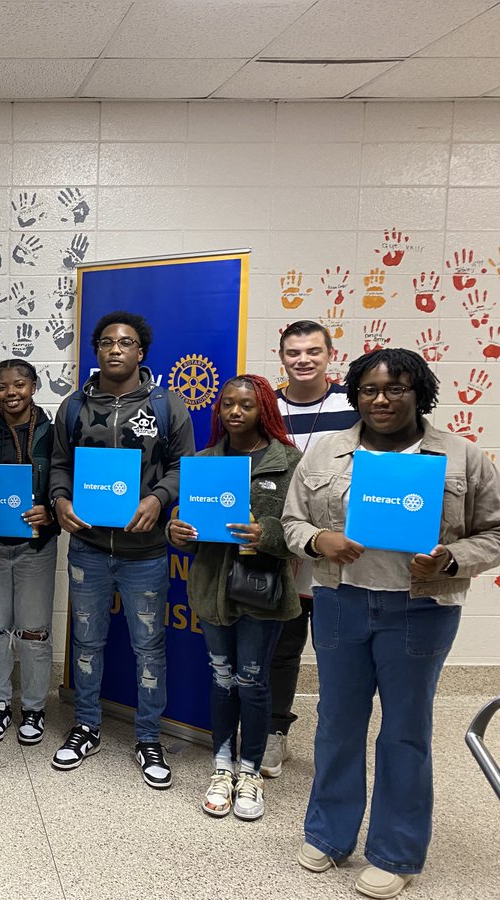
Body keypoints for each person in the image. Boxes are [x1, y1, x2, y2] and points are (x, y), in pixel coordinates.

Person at [284, 348, 500, 899]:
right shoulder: (327, 452)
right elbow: (291, 520)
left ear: (418, 392)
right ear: (355, 394)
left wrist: (451, 559)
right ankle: (329, 834)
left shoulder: (461, 457)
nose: (381, 399)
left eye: (396, 388)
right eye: (370, 389)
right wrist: (318, 540)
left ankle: (395, 850)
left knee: (405, 730)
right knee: (336, 721)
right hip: (340, 602)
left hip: (421, 609)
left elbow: (494, 533)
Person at [48, 310, 195, 787]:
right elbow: (58, 465)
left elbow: (183, 466)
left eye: (126, 342)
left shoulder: (168, 405)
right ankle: (86, 725)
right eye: (107, 342)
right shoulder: (72, 407)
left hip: (146, 552)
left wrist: (158, 498)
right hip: (88, 548)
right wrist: (59, 499)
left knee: (148, 647)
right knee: (86, 642)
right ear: (97, 351)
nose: (115, 348)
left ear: (141, 351)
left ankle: (148, 737)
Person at [167, 375, 302, 821]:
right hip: (211, 590)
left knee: (253, 681)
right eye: (227, 405)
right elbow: (187, 527)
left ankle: (250, 772)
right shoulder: (204, 462)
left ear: (263, 408)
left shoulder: (288, 462)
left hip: (262, 594)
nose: (235, 413)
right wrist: (178, 531)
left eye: (245, 405)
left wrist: (267, 535)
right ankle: (222, 767)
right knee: (222, 678)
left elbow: (304, 530)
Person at [263, 320, 359, 778]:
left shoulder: (353, 405)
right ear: (281, 357)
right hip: (284, 557)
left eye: (313, 351)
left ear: (329, 354)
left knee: (337, 653)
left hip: (340, 556)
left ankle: (335, 741)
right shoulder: (269, 410)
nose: (303, 360)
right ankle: (275, 733)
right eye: (293, 352)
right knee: (282, 650)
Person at [0, 360, 60, 747]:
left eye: (19, 384)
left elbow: (65, 478)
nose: (11, 393)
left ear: (34, 386)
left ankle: (35, 708)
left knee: (34, 630)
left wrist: (52, 511)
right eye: (2, 386)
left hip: (36, 544)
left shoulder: (53, 432)